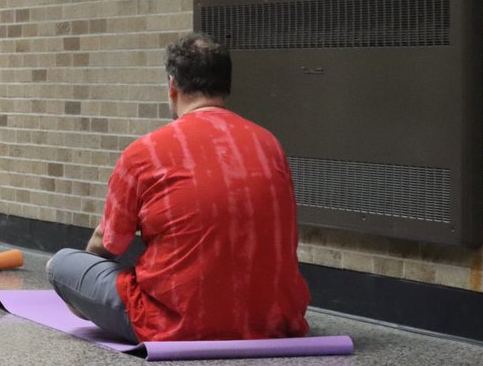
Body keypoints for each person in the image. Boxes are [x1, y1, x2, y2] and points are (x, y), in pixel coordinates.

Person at [46, 33, 310, 343]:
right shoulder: (269, 144)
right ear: (225, 85)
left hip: (174, 323)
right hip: (274, 319)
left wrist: (88, 268)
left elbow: (111, 242)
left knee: (59, 264)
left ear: (173, 85)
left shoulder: (145, 152)